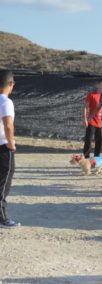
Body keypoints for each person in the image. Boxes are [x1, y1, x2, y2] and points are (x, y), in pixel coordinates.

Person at [0, 70, 19, 228]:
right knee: (4, 181)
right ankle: (1, 217)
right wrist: (11, 142)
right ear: (10, 83)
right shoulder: (6, 102)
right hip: (3, 147)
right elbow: (7, 124)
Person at [82, 80, 102, 158]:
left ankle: (96, 159)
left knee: (99, 142)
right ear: (98, 85)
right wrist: (84, 119)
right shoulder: (92, 95)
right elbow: (85, 107)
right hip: (92, 121)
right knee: (88, 140)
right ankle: (86, 158)